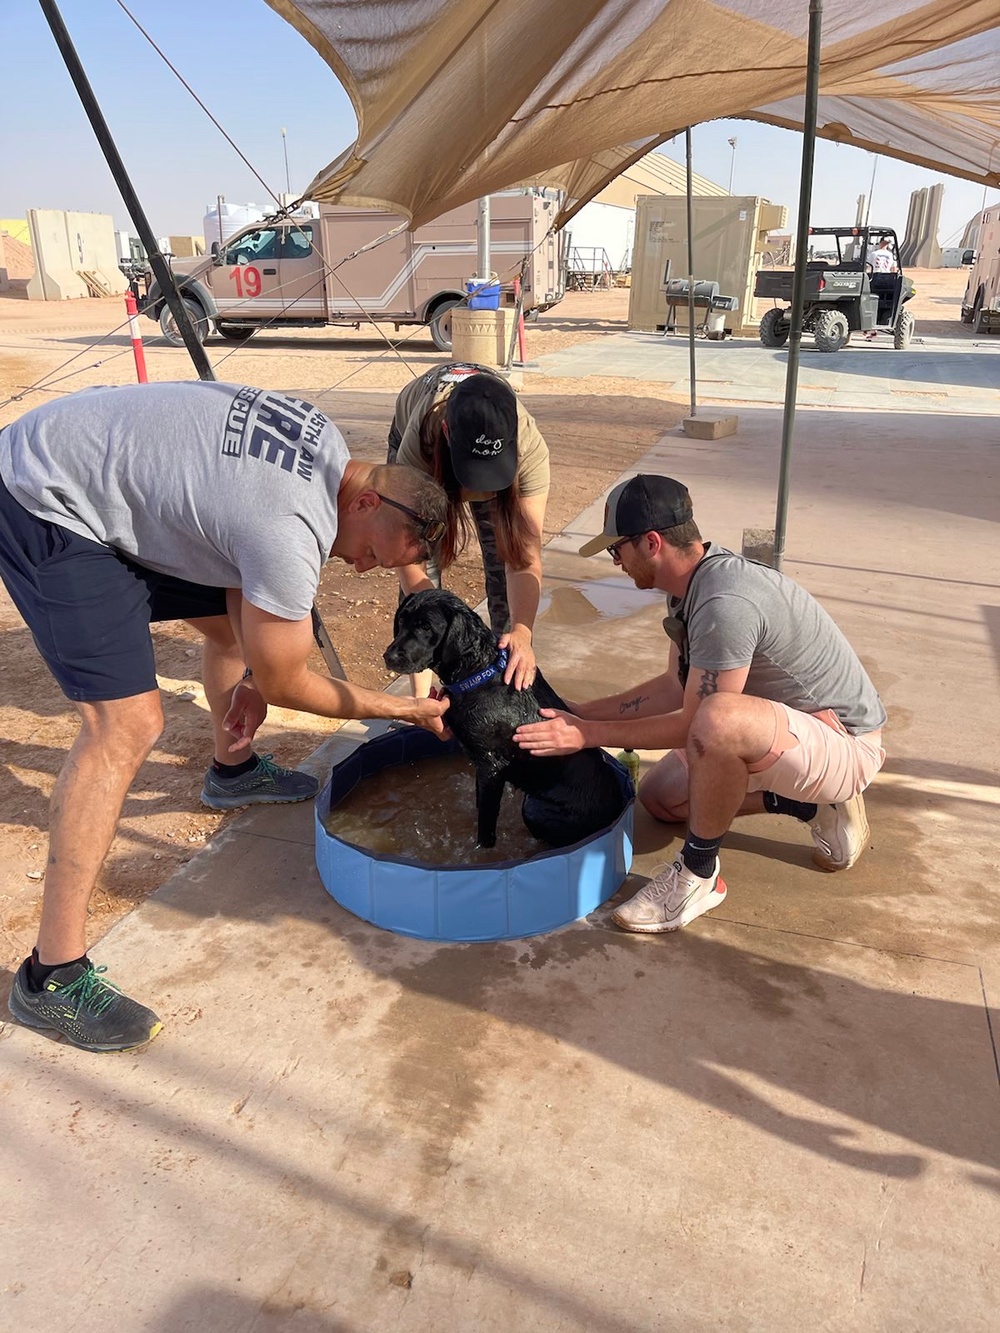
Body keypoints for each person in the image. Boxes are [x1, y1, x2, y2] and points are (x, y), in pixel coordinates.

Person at [0, 380, 451, 1051]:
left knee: (237, 632)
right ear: (363, 501)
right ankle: (53, 977)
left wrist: (258, 675)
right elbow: (291, 674)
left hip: (100, 469)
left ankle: (230, 769)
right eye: (374, 554)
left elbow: (241, 556)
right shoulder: (292, 527)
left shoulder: (324, 446)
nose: (359, 568)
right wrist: (399, 709)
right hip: (46, 497)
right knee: (126, 724)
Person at [515, 474, 886, 934]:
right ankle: (809, 807)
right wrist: (581, 712)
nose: (616, 563)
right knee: (662, 800)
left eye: (617, 550)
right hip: (787, 732)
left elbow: (697, 721)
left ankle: (698, 875)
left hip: (842, 743)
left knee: (717, 721)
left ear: (650, 543)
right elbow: (675, 686)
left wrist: (586, 736)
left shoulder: (724, 601)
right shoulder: (690, 587)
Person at [387, 362, 549, 693]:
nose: (481, 492)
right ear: (447, 432)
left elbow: (523, 558)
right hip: (429, 454)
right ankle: (421, 697)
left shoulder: (530, 448)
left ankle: (501, 675)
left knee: (500, 560)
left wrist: (522, 632)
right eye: (474, 476)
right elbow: (406, 552)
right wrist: (432, 611)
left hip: (483, 449)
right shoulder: (420, 444)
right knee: (423, 578)